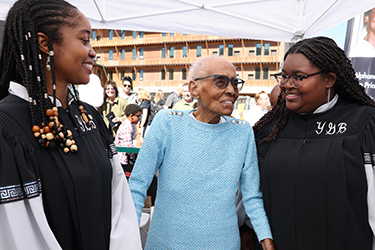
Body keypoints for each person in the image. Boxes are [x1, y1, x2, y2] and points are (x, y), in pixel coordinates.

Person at [0, 0, 142, 249]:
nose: (93, 52)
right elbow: (18, 232)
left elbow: (119, 202)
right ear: (45, 43)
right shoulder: (8, 126)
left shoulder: (89, 116)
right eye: (84, 40)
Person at [129, 55, 274, 250]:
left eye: (235, 83)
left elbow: (252, 196)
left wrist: (266, 239)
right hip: (167, 244)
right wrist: (127, 238)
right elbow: (137, 185)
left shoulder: (242, 131)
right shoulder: (168, 123)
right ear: (194, 88)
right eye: (220, 82)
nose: (231, 90)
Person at [253, 36, 375, 250]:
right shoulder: (270, 129)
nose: (287, 85)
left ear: (329, 79)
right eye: (283, 76)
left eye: (299, 77)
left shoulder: (361, 124)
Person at [115, 104, 142, 178]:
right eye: (138, 116)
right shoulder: (127, 127)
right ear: (131, 116)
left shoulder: (128, 125)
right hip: (123, 161)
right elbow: (128, 147)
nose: (139, 118)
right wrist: (137, 153)